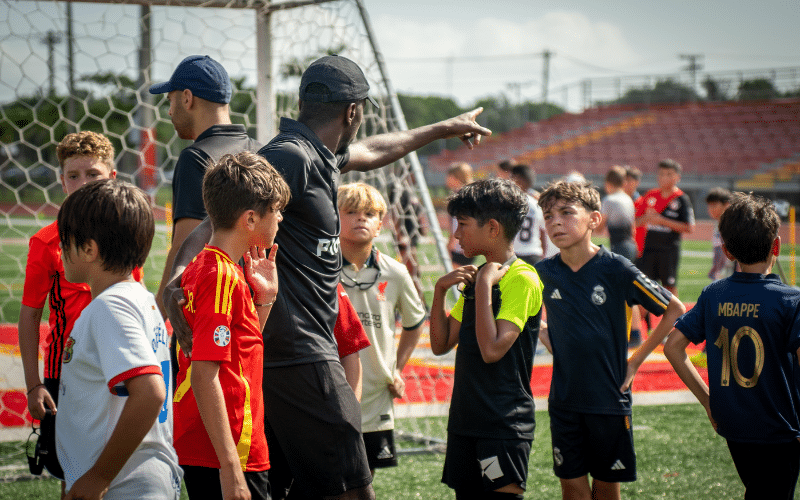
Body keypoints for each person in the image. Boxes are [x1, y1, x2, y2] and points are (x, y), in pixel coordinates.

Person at [165, 54, 491, 500]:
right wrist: (179, 274)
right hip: (300, 356)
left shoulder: (319, 154)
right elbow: (221, 215)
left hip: (288, 356)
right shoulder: (290, 155)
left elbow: (374, 150)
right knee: (354, 492)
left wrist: (440, 128)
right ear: (353, 111)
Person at [534, 180, 685, 500]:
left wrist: (635, 360)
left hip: (608, 399)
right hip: (563, 400)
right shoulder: (544, 271)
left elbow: (674, 309)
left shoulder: (615, 268)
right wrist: (545, 332)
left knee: (606, 490)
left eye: (566, 212)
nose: (555, 222)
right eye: (547, 216)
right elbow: (527, 314)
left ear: (594, 219)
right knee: (572, 488)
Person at [18, 131, 140, 485]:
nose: (83, 183)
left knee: (120, 467)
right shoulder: (46, 242)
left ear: (112, 178)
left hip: (119, 365)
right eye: (74, 175)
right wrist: (32, 384)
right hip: (66, 373)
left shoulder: (128, 232)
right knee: (70, 469)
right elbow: (29, 314)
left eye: (93, 174)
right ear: (62, 181)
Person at [664, 193, 800, 500]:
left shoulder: (713, 294)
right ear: (775, 246)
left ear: (726, 250)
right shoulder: (790, 300)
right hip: (779, 426)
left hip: (733, 423)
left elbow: (673, 347)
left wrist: (708, 401)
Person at [55, 179, 182, 500]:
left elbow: (150, 393)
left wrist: (98, 477)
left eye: (65, 241)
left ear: (88, 249)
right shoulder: (139, 299)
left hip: (126, 485)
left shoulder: (111, 307)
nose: (60, 250)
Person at [174, 152, 289, 500]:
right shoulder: (220, 276)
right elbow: (205, 373)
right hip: (227, 452)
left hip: (222, 447)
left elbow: (236, 347)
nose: (281, 218)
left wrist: (264, 299)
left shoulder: (207, 266)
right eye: (276, 210)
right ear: (251, 218)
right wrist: (230, 468)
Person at [430, 178, 543, 499]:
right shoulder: (478, 276)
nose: (456, 234)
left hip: (503, 423)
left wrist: (483, 286)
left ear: (492, 228)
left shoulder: (522, 278)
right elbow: (440, 345)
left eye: (463, 224)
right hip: (465, 419)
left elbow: (492, 350)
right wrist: (440, 291)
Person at [150, 55, 261, 317]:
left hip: (214, 307)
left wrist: (160, 312)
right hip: (257, 305)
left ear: (187, 98)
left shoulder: (196, 157)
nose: (169, 111)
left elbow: (185, 244)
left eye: (170, 100)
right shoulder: (261, 151)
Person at [337, 183, 426, 475]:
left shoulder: (396, 271)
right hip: (331, 390)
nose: (361, 218)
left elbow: (415, 323)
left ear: (379, 225)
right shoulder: (321, 269)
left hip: (376, 398)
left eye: (370, 213)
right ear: (334, 218)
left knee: (365, 480)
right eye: (351, 212)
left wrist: (396, 368)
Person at [635, 159, 694, 295]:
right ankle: (645, 317)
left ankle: (675, 316)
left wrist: (662, 220)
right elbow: (636, 222)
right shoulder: (650, 195)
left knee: (669, 287)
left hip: (669, 251)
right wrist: (647, 218)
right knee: (644, 286)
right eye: (661, 174)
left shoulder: (681, 199)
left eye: (669, 174)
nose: (664, 177)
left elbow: (689, 227)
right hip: (648, 250)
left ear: (677, 177)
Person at [598, 165, 642, 347]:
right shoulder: (627, 198)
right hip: (630, 245)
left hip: (620, 246)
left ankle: (630, 334)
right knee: (628, 291)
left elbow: (600, 226)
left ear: (608, 184)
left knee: (620, 293)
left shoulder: (610, 199)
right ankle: (635, 333)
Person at [386, 175, 428, 306]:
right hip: (405, 240)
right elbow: (395, 213)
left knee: (412, 273)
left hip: (409, 238)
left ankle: (419, 304)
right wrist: (400, 235)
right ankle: (417, 304)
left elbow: (420, 215)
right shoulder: (400, 191)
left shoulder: (407, 192)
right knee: (409, 273)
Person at [510, 163, 547, 265]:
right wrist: (543, 253)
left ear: (517, 179)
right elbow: (542, 232)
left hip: (514, 254)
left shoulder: (508, 203)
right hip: (534, 254)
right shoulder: (536, 204)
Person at [446, 162, 476, 268]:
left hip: (460, 246)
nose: (446, 179)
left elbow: (458, 224)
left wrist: (449, 247)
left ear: (456, 177)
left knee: (458, 281)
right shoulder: (471, 194)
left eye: (449, 176)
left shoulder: (460, 197)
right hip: (470, 244)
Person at [705, 187, 735, 281]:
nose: (710, 209)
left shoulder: (732, 225)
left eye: (714, 205)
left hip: (730, 275)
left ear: (726, 205)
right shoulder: (718, 224)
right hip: (721, 274)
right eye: (709, 205)